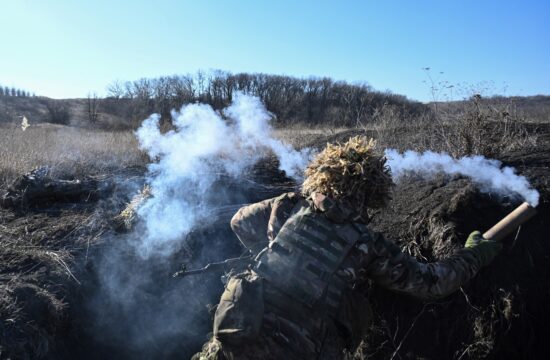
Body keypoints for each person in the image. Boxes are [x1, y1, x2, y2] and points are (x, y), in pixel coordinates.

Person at [193, 136, 501, 360]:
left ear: (322, 176)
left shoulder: (290, 205)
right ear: (373, 196)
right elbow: (432, 283)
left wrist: (274, 250)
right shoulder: (368, 244)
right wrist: (475, 252)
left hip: (236, 338)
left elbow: (239, 222)